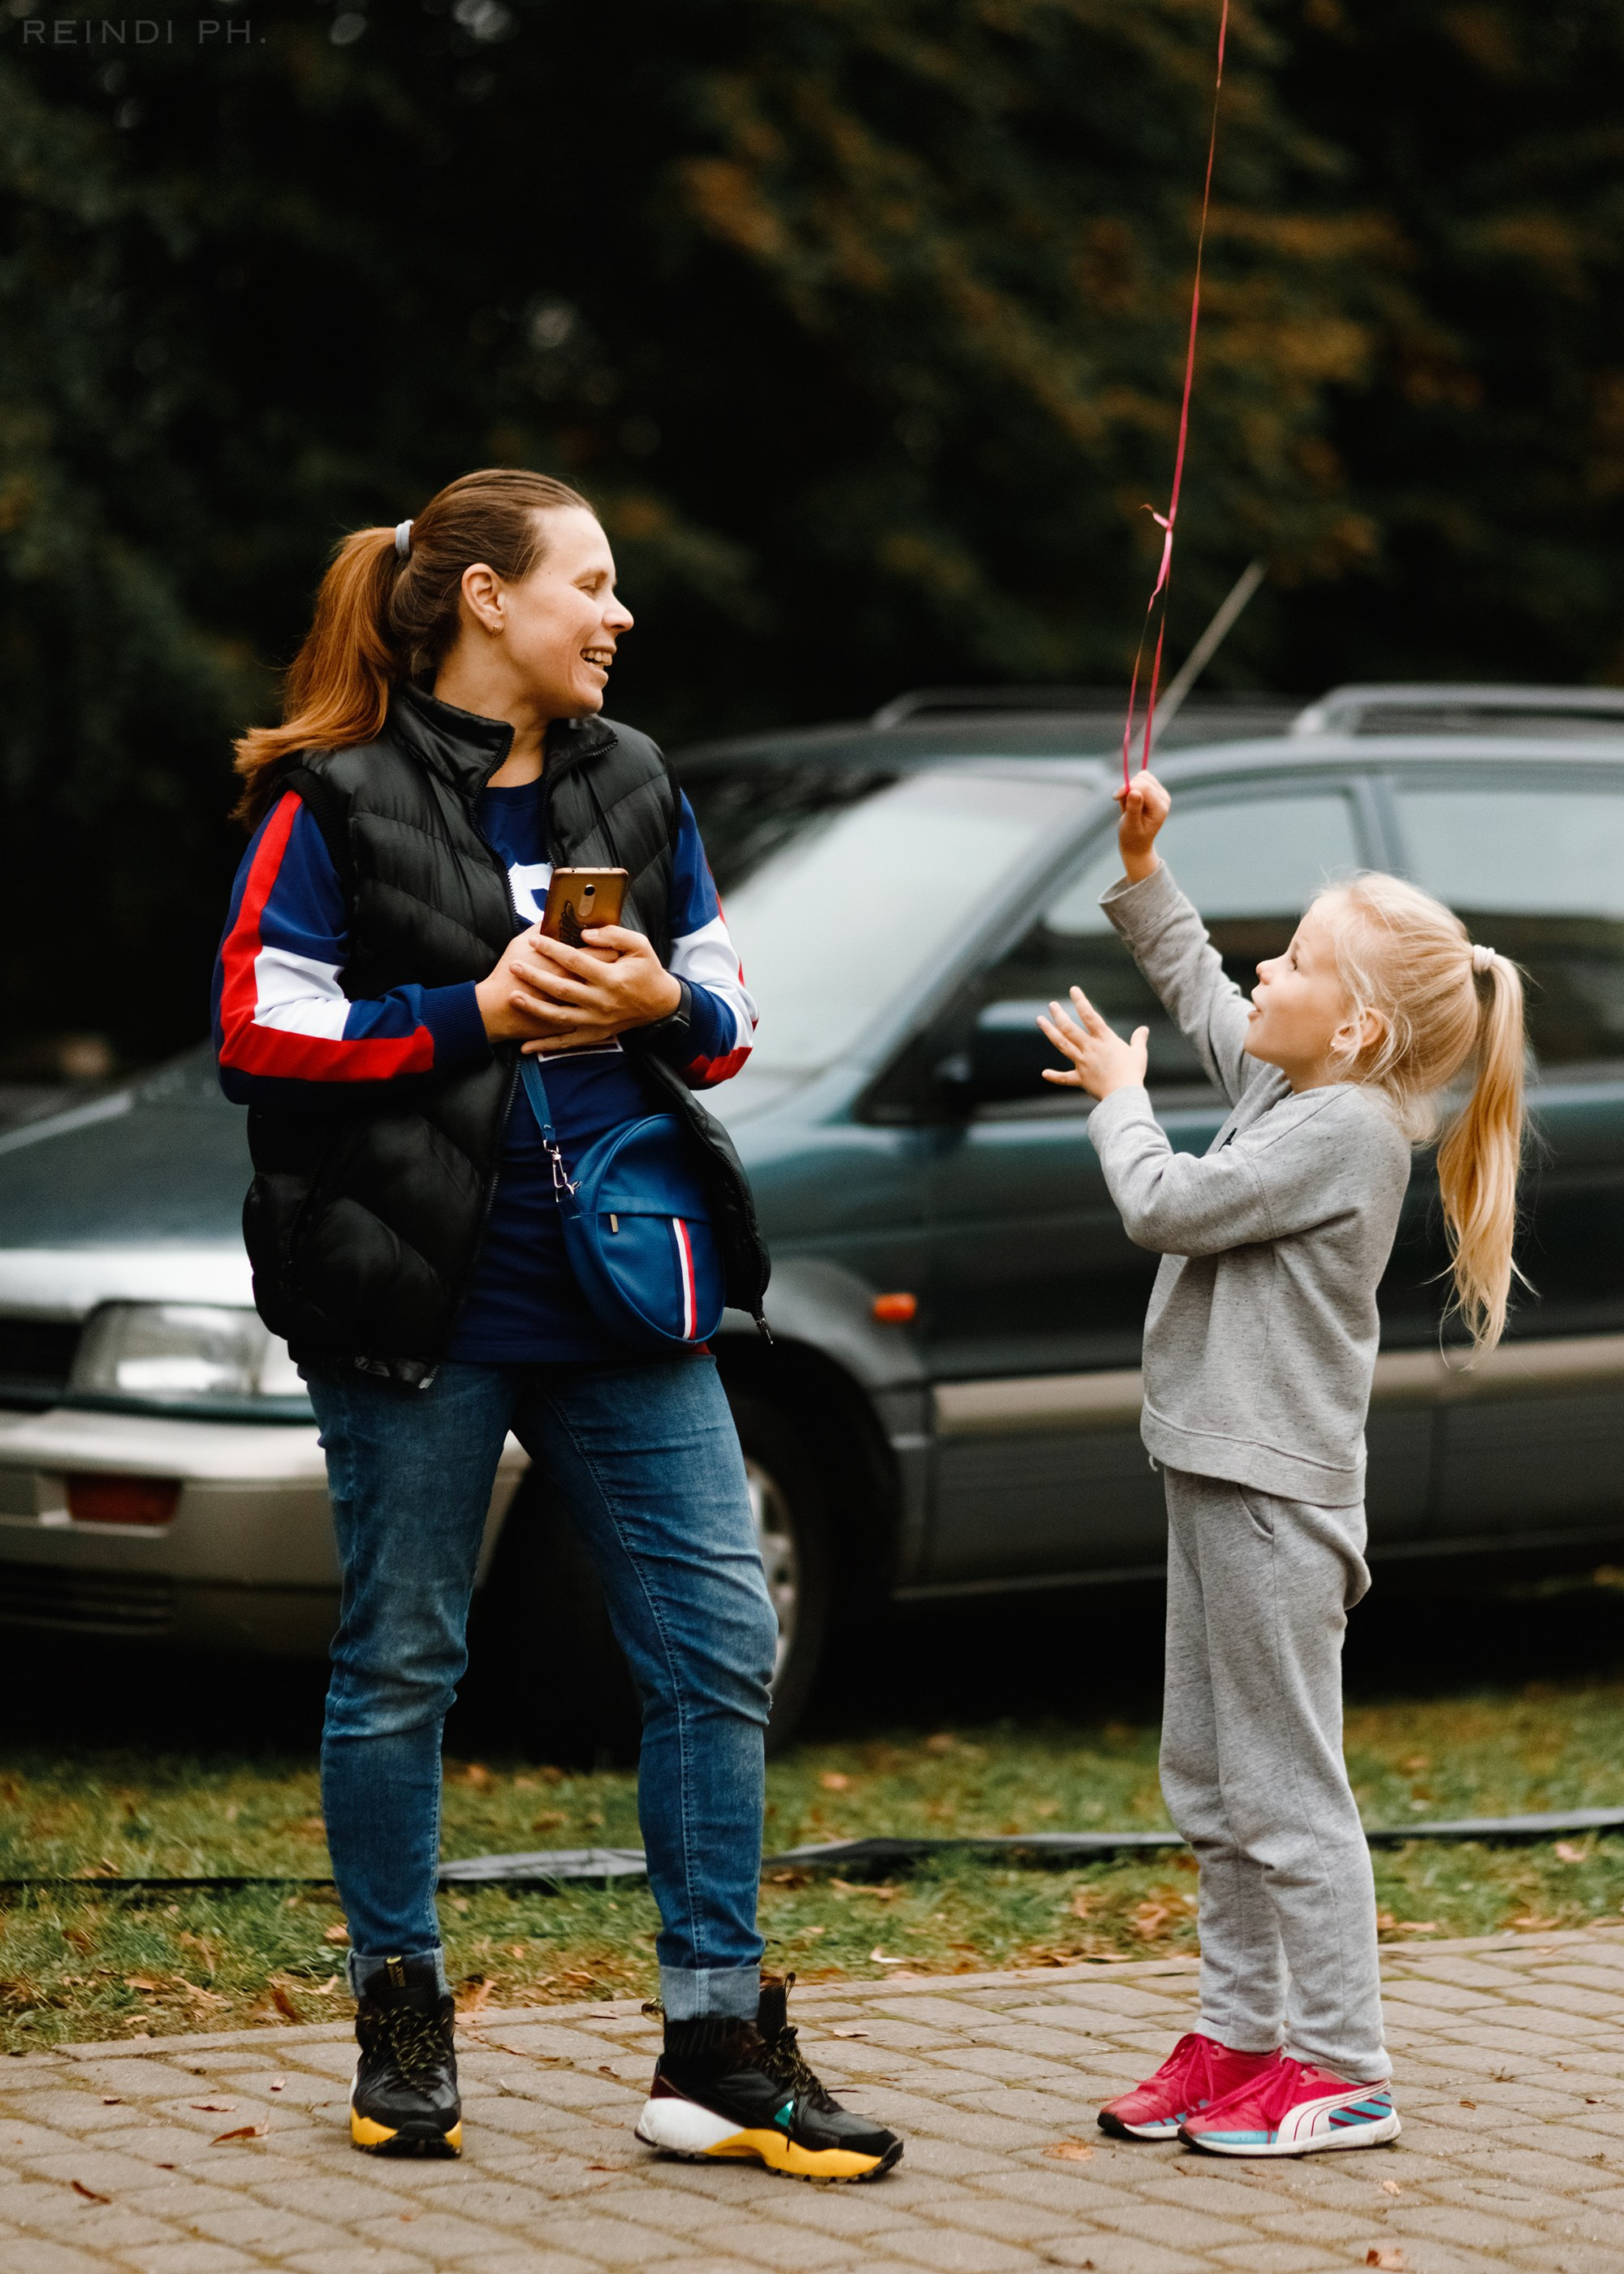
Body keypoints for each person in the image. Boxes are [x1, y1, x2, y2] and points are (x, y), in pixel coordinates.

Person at [212, 468, 902, 2183]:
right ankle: (401, 2005)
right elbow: (259, 1025)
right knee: (401, 1667)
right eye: (589, 583)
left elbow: (730, 1003)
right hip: (413, 1294)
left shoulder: (635, 777)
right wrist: (471, 1008)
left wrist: (660, 997)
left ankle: (716, 2042)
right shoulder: (335, 798)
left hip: (626, 1289)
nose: (618, 613)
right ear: (484, 604)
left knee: (718, 1645)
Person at [1038, 767, 1525, 2159]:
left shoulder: (1348, 1132)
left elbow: (1165, 1204)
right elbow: (1204, 990)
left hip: (1272, 1500)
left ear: (1358, 1023)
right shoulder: (1298, 1080)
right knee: (1210, 1773)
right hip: (1214, 1470)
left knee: (1287, 1792)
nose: (1271, 966)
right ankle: (1239, 2037)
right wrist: (1144, 871)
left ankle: (1346, 2069)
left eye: (1299, 960)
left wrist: (1121, 1101)